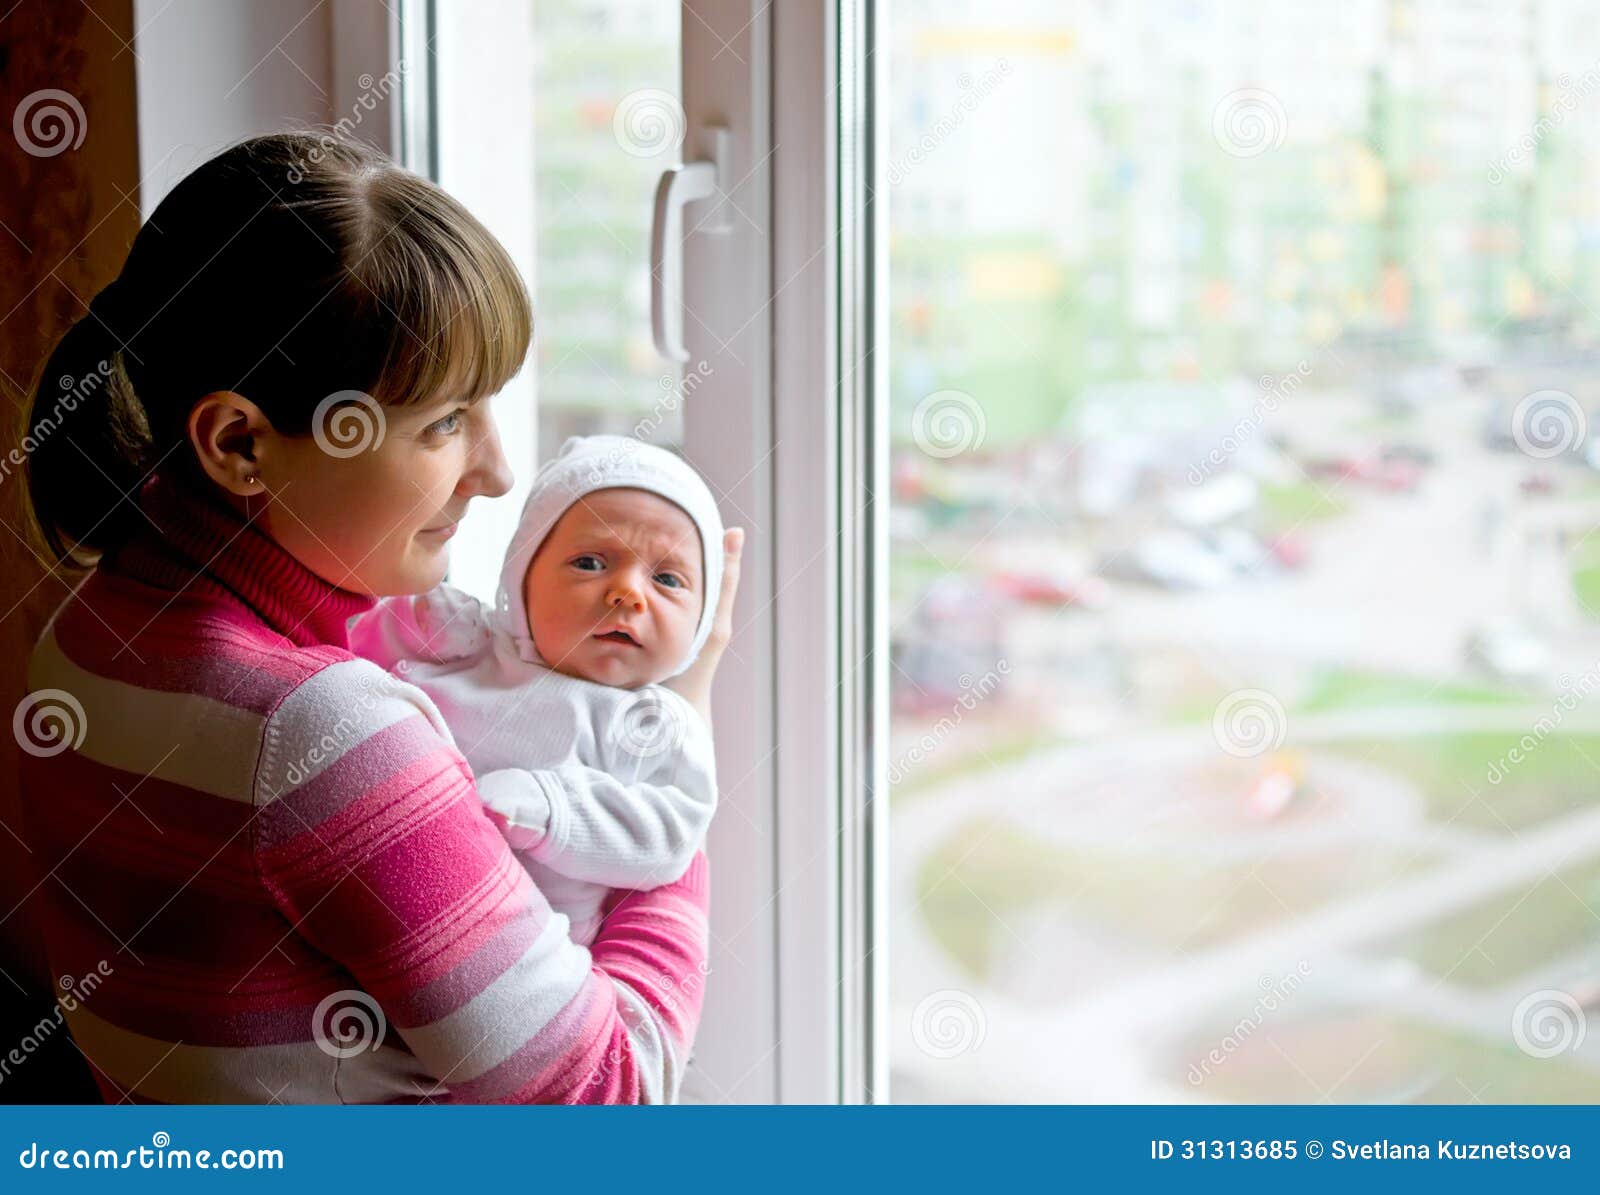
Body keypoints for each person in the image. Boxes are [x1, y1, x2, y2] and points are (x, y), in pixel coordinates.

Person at [14, 131, 742, 1104]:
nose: (496, 471)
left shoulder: (83, 633)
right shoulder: (324, 734)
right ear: (240, 443)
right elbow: (607, 1098)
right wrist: (665, 764)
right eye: (444, 422)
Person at [349, 435, 742, 948]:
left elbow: (668, 837)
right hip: (366, 886)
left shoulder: (655, 725)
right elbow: (351, 653)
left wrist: (553, 809)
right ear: (522, 577)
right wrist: (413, 622)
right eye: (590, 563)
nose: (627, 592)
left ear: (701, 619)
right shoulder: (473, 644)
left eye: (667, 578)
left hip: (516, 951)